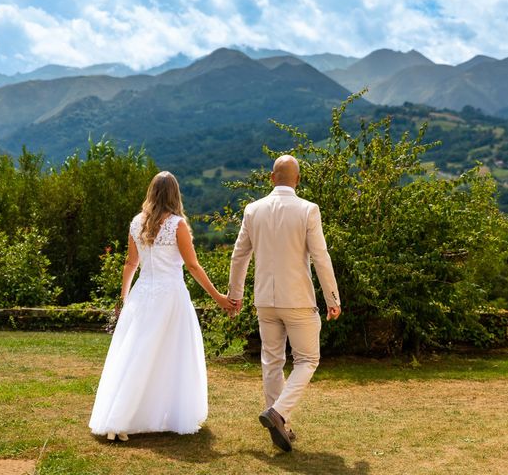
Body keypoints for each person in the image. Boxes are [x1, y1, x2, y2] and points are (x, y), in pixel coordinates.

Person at [89, 171, 235, 441]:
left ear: (151, 192)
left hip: (142, 295)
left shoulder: (136, 223)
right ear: (174, 194)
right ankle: (150, 414)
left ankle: (120, 418)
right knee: (169, 355)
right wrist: (219, 297)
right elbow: (192, 265)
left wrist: (125, 298)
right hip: (170, 296)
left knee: (136, 354)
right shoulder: (177, 224)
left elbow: (131, 263)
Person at [228, 155, 341, 452]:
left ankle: (281, 426)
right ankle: (278, 414)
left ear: (270, 177)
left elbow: (239, 255)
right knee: (307, 360)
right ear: (298, 180)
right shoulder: (308, 210)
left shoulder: (253, 210)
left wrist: (235, 295)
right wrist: (332, 297)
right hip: (298, 300)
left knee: (272, 361)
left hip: (265, 300)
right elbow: (321, 256)